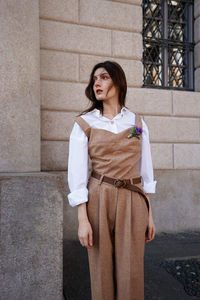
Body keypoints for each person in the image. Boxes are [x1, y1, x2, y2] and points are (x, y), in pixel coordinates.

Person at [67, 60, 157, 300]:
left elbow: (145, 170)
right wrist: (82, 219)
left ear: (118, 81)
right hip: (99, 197)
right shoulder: (85, 124)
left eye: (104, 77)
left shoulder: (137, 123)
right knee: (101, 270)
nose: (97, 82)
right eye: (95, 79)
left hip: (133, 199)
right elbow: (77, 174)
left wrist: (149, 214)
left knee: (132, 271)